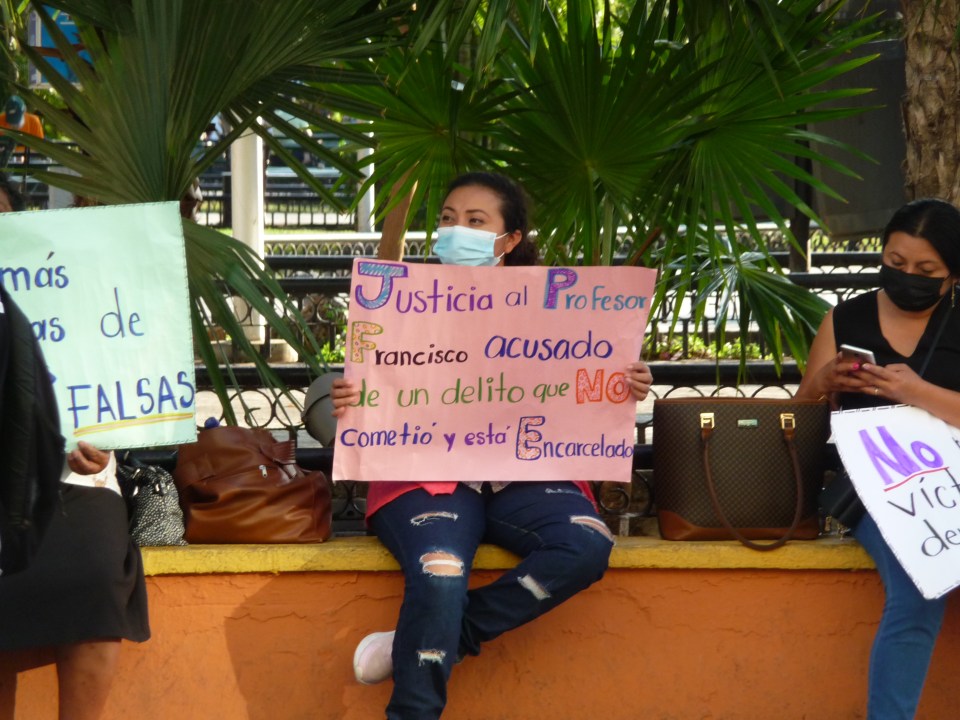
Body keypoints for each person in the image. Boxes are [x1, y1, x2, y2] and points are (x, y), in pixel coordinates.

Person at [331, 171, 654, 719]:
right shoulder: (404, 305)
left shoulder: (559, 310)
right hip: (425, 474)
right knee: (441, 571)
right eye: (448, 219)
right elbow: (375, 386)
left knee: (586, 544)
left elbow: (585, 376)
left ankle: (438, 637)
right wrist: (348, 395)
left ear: (510, 239)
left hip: (526, 475)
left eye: (476, 222)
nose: (457, 230)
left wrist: (629, 380)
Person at [796, 198, 960, 720]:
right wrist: (823, 383)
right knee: (917, 586)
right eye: (895, 262)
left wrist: (917, 392)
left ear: (952, 274)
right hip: (876, 485)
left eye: (925, 270)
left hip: (951, 477)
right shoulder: (846, 318)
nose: (907, 276)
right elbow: (799, 417)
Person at [0, 177, 150, 720]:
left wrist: (107, 450)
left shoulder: (70, 299)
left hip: (72, 486)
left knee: (92, 568)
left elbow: (121, 392)